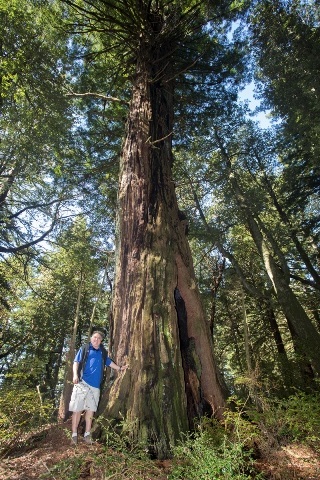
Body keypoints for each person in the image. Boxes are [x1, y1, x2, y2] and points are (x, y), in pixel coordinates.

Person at [69, 328, 128, 445]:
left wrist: (120, 368)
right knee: (77, 409)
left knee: (90, 411)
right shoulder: (85, 349)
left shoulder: (102, 352)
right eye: (95, 337)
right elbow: (76, 362)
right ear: (91, 339)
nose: (96, 340)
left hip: (95, 387)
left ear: (101, 341)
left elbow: (109, 362)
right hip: (82, 383)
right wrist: (75, 375)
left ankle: (87, 435)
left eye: (99, 338)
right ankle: (74, 435)